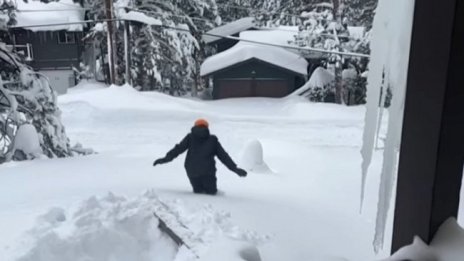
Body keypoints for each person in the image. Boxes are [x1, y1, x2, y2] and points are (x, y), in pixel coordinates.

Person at [153, 119, 247, 195]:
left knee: (198, 192)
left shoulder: (190, 137)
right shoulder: (212, 140)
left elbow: (178, 149)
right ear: (207, 127)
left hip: (192, 171)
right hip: (208, 172)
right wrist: (234, 168)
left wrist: (165, 159)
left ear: (195, 126)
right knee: (211, 193)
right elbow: (223, 156)